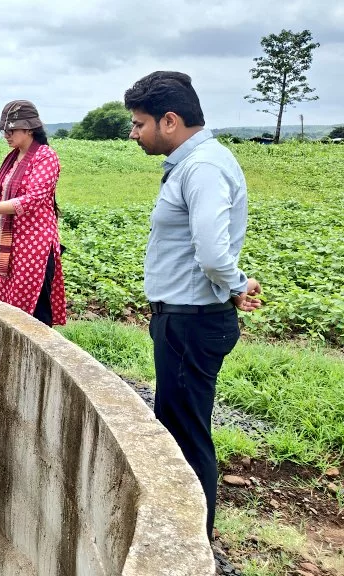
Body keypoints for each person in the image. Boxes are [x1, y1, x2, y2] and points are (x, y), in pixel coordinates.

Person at [124, 71, 262, 541]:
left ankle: (191, 541)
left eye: (139, 124)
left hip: (192, 322)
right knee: (177, 424)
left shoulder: (202, 167)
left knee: (185, 435)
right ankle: (183, 529)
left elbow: (210, 250)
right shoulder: (193, 164)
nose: (133, 134)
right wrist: (234, 286)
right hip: (183, 318)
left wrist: (236, 283)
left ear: (169, 120)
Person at [0, 100, 66, 326]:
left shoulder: (45, 156)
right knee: (11, 303)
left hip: (35, 247)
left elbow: (32, 200)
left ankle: (42, 357)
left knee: (36, 311)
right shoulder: (13, 157)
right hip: (11, 245)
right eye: (5, 130)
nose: (6, 135)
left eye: (11, 130)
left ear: (29, 128)